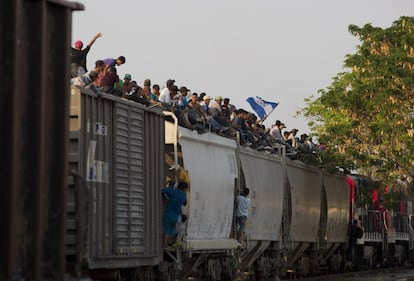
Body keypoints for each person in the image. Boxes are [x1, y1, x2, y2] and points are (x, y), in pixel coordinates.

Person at [162, 181, 188, 247]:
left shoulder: (174, 191)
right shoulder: (183, 195)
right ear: (184, 188)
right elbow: (185, 203)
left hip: (168, 214)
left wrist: (165, 196)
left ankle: (165, 245)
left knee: (166, 230)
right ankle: (170, 244)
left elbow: (163, 190)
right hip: (176, 216)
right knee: (172, 230)